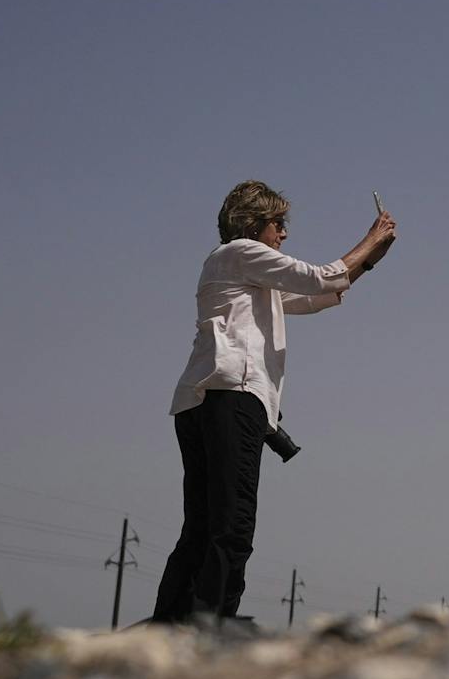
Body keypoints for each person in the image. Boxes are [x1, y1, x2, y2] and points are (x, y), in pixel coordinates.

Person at [151, 180, 394, 625]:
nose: (284, 233)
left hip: (198, 401)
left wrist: (369, 261)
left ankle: (170, 624)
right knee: (234, 525)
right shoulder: (242, 252)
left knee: (201, 527)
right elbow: (320, 277)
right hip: (233, 398)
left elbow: (316, 296)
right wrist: (371, 238)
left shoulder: (237, 269)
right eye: (278, 223)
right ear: (253, 224)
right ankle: (213, 626)